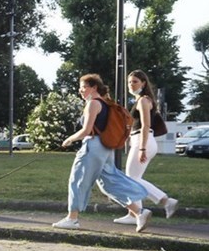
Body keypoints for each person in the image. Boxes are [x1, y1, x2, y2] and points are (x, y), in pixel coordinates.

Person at [53, 73, 151, 232]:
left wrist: (69, 140)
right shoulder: (105, 103)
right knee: (110, 184)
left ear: (94, 87)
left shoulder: (93, 104)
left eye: (84, 87)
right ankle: (140, 212)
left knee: (77, 180)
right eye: (80, 88)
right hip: (106, 148)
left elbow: (86, 130)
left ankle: (72, 219)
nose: (81, 91)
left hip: (92, 146)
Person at [113, 70, 178, 224]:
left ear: (143, 83)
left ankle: (165, 201)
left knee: (131, 178)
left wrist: (141, 148)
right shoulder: (139, 100)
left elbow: (145, 125)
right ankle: (134, 214)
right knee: (133, 179)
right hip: (141, 141)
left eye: (135, 81)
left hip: (144, 141)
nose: (131, 85)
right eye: (129, 82)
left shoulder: (143, 100)